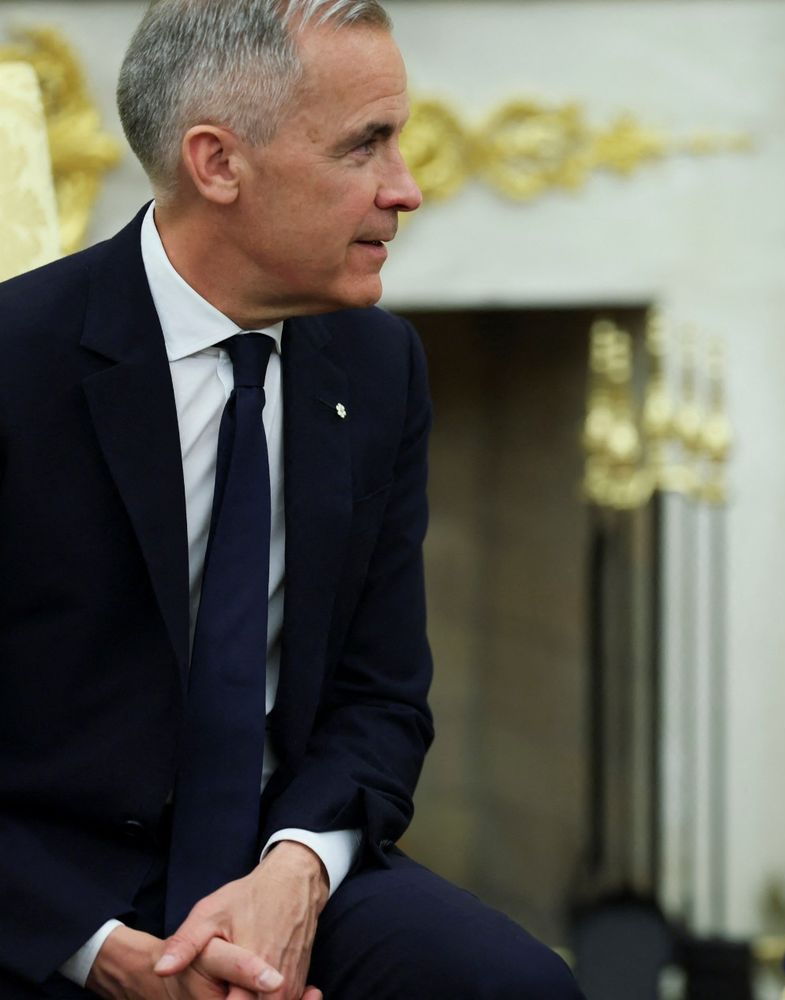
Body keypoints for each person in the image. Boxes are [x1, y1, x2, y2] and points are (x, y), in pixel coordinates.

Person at [0, 1, 582, 997]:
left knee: (515, 984)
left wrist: (296, 871)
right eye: (365, 146)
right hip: (41, 897)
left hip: (278, 851)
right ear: (218, 163)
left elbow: (381, 698)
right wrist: (101, 952)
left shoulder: (381, 364)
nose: (407, 189)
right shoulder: (19, 362)